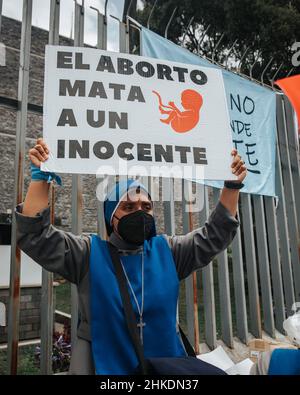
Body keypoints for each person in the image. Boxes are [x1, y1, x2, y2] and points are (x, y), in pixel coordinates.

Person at [15, 138, 247, 375]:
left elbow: (215, 235)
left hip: (166, 370)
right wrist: (40, 179)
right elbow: (37, 237)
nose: (139, 212)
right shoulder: (88, 254)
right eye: (128, 207)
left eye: (146, 207)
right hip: (105, 368)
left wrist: (231, 187)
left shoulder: (169, 251)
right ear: (111, 218)